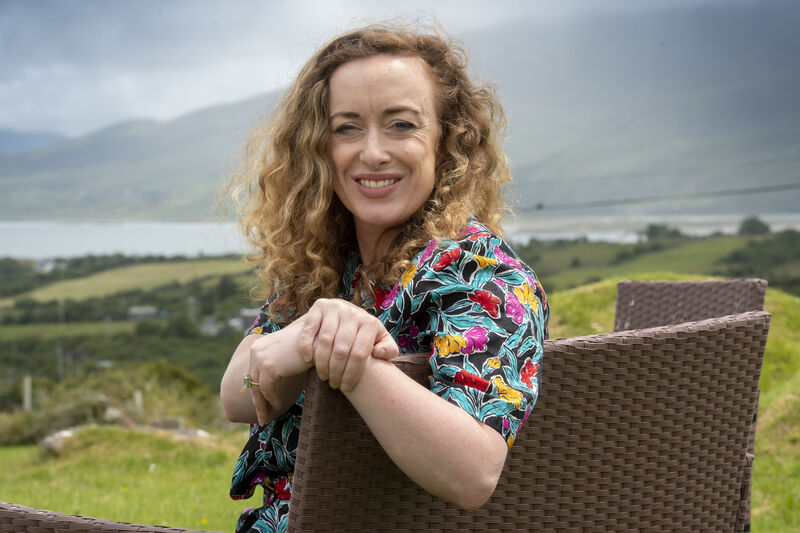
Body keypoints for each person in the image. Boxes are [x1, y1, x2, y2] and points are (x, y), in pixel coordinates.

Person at [220, 23, 549, 533]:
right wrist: (301, 334)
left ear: (447, 140)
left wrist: (345, 354)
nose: (372, 152)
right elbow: (237, 397)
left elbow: (473, 471)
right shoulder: (330, 264)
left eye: (401, 125)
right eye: (347, 127)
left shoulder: (485, 278)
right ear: (318, 148)